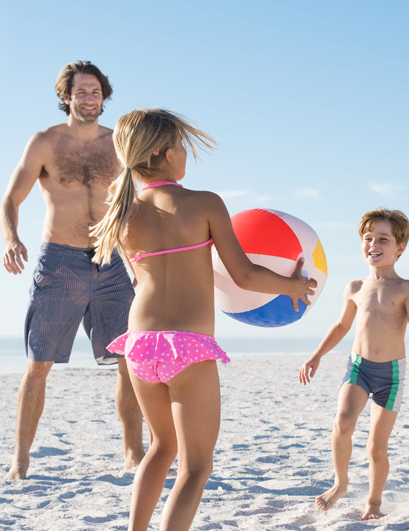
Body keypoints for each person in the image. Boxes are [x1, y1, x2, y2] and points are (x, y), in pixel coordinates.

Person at [90, 108, 316, 531]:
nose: (185, 154)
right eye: (182, 146)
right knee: (195, 468)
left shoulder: (121, 214)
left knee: (160, 448)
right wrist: (293, 287)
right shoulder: (204, 203)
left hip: (139, 343)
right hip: (187, 345)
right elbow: (245, 273)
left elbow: (148, 278)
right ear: (164, 152)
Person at [0, 61, 144, 481]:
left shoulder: (119, 143)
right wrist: (11, 238)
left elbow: (133, 206)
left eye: (95, 91)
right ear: (66, 96)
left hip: (110, 262)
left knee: (128, 361)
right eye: (80, 91)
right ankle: (21, 460)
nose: (89, 98)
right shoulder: (45, 142)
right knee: (38, 362)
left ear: (104, 95)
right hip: (59, 261)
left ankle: (134, 454)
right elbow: (11, 198)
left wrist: (136, 258)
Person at [299, 208, 409, 520]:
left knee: (376, 446)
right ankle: (341, 483)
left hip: (391, 375)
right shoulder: (354, 288)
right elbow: (340, 327)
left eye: (383, 239)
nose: (373, 244)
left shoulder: (406, 288)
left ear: (399, 248)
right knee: (343, 422)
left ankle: (374, 502)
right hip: (358, 367)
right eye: (368, 238)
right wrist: (316, 355)